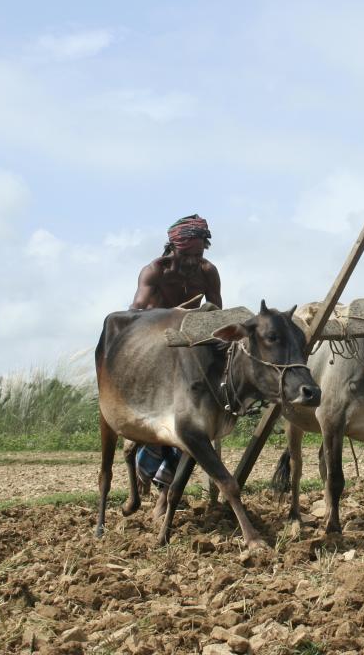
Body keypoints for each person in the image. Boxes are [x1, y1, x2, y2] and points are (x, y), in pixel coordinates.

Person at [127, 214, 222, 519]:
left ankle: (165, 496)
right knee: (152, 421)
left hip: (189, 351)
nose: (194, 261)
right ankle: (145, 472)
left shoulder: (208, 273)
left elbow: (216, 314)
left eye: (199, 254)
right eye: (188, 255)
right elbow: (135, 312)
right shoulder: (154, 271)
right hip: (156, 349)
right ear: (173, 249)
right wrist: (170, 316)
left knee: (191, 424)